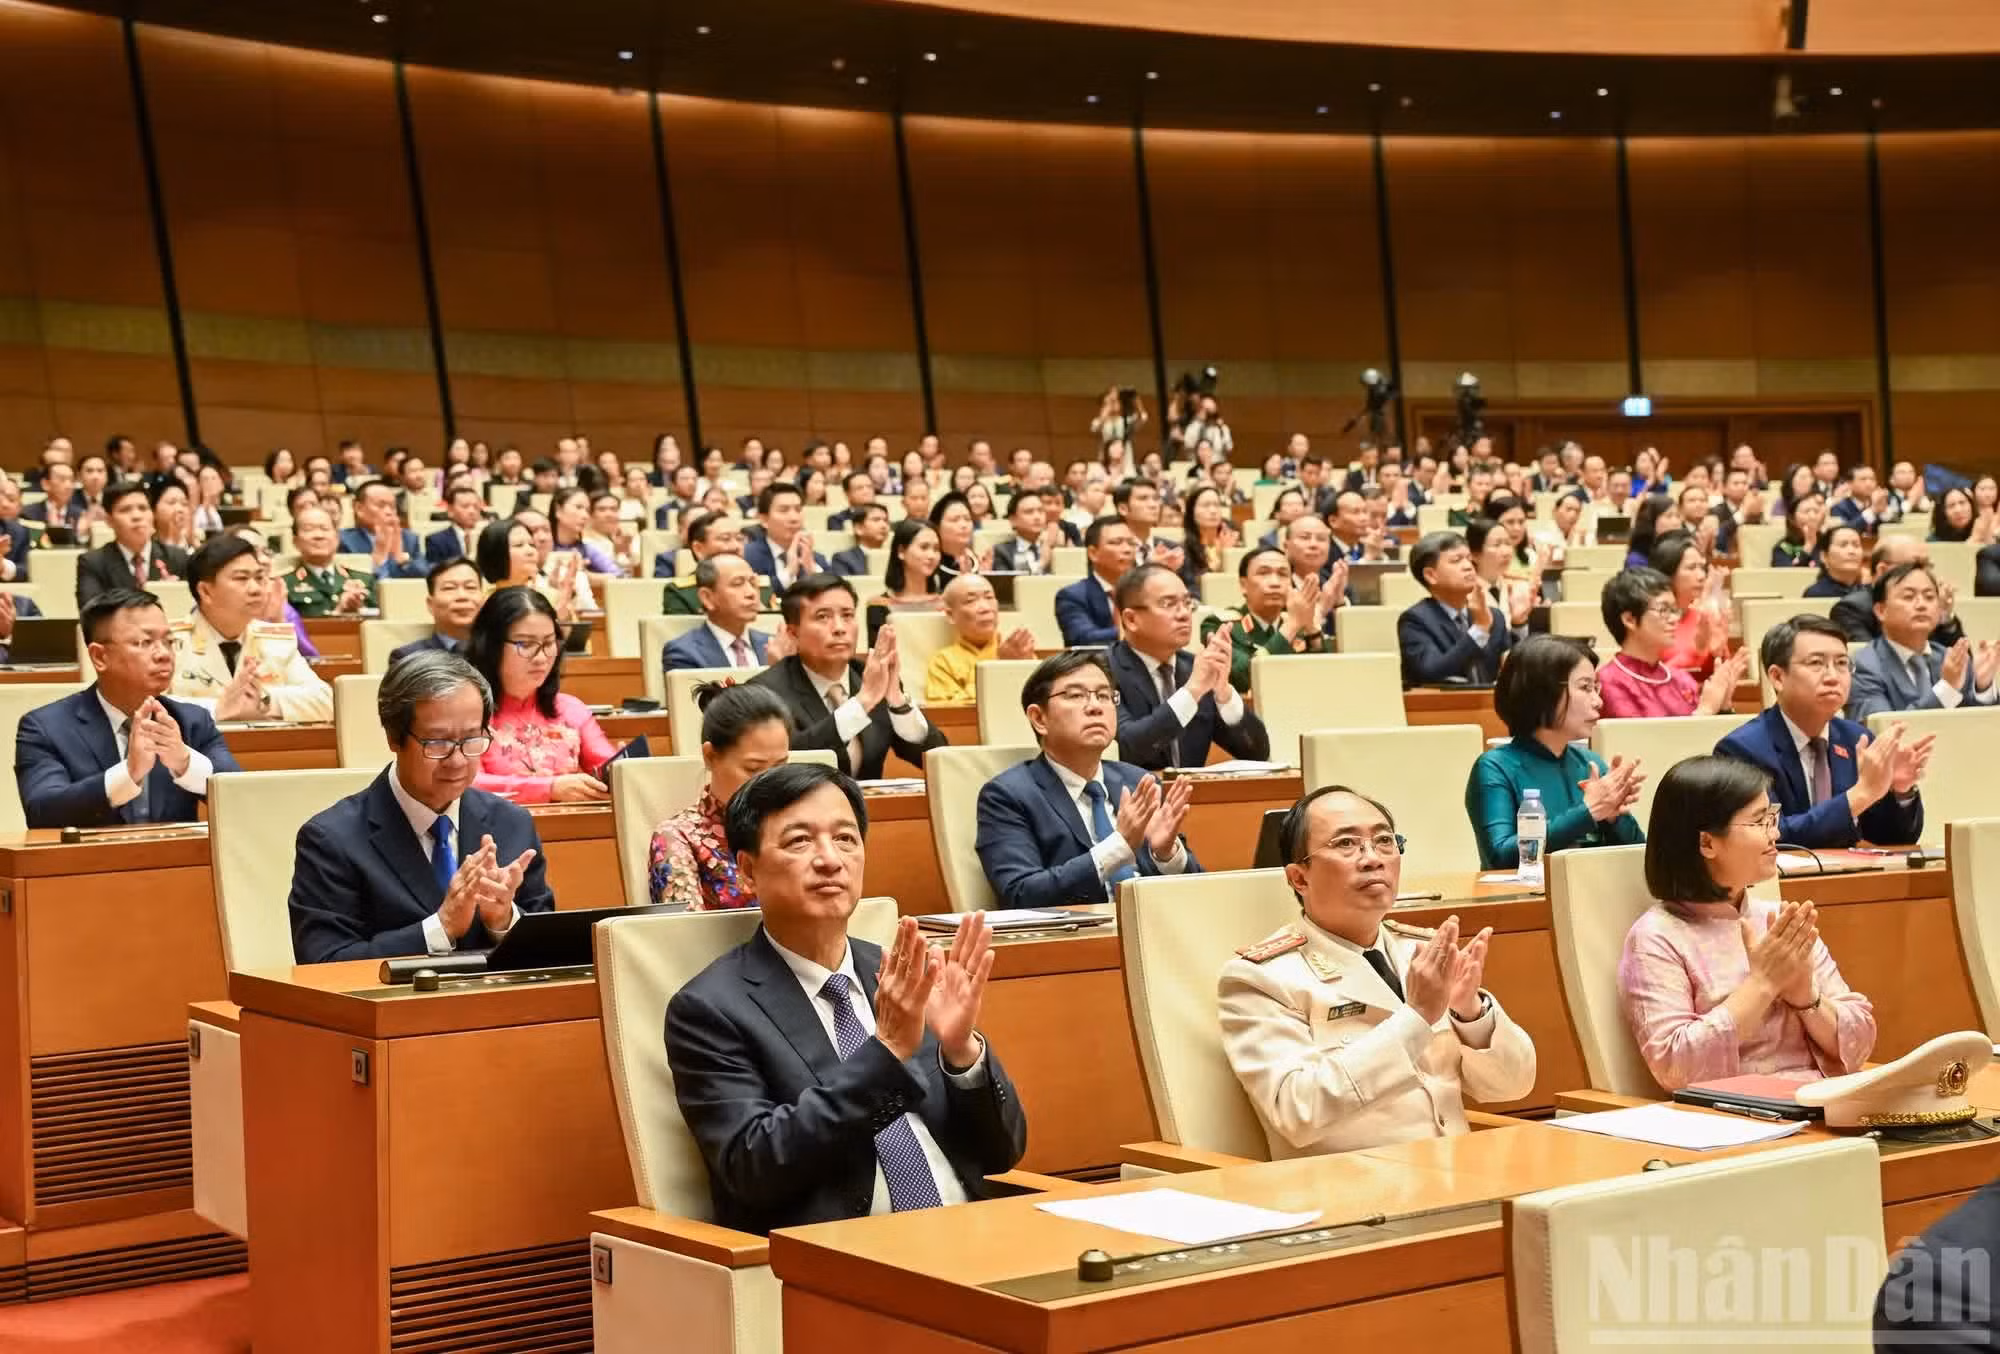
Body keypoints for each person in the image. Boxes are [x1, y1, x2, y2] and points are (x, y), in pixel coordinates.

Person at [664, 763, 1026, 1233]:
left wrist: (962, 1054)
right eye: (799, 841)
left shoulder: (902, 974)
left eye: (845, 839)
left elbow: (1004, 1151)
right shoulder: (711, 1010)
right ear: (748, 870)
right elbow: (753, 1167)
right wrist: (887, 1052)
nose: (830, 859)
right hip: (844, 1259)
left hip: (972, 1234)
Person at [1219, 785, 1536, 1157]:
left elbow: (1513, 1087)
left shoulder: (1419, 952)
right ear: (1299, 878)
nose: (1372, 858)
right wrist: (1416, 1018)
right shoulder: (1263, 979)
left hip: (1459, 1176)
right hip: (1356, 1194)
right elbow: (1298, 1111)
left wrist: (1470, 1014)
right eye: (1346, 845)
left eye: (1384, 841)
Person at [1619, 755, 1875, 1091]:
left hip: (1824, 1102)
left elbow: (1862, 1040)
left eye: (1772, 817)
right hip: (1735, 1120)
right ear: (1707, 843)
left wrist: (1805, 997)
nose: (1776, 833)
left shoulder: (1780, 920)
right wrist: (1763, 985)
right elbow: (1674, 1068)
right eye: (1759, 822)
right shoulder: (1657, 937)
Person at [287, 651, 554, 963]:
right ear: (393, 737)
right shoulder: (331, 839)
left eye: (472, 739)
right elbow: (323, 963)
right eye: (437, 743)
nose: (457, 761)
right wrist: (440, 928)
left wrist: (503, 920)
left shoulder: (512, 824)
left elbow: (550, 951)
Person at [976, 650, 1200, 909]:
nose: (1095, 707)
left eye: (1104, 696)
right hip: (1075, 942)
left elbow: (1195, 892)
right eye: (1075, 695)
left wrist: (1167, 854)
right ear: (1039, 718)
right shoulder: (1007, 795)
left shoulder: (1139, 782)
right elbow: (1021, 893)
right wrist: (1119, 845)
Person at [15, 589, 241, 828]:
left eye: (168, 641)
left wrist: (185, 763)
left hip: (178, 863)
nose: (164, 654)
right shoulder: (46, 727)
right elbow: (42, 811)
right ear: (99, 657)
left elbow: (242, 796)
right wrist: (128, 774)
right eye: (144, 642)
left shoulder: (191, 721)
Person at [1715, 615, 1931, 848]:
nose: (1832, 676)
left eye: (1841, 664)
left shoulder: (1857, 740)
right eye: (1816, 663)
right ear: (1777, 677)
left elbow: (1891, 839)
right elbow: (1770, 835)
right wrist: (1861, 794)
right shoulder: (1742, 750)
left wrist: (1899, 791)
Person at [1465, 635, 1645, 868]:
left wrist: (1614, 817)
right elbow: (1500, 856)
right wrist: (1589, 811)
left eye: (1596, 688)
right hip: (1528, 900)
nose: (1598, 701)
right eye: (1585, 687)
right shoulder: (1495, 767)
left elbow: (1639, 855)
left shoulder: (1590, 764)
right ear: (1543, 692)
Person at [751, 574, 947, 779]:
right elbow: (793, 763)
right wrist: (863, 702)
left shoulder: (871, 677)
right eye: (822, 617)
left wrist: (898, 704)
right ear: (793, 633)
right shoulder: (766, 693)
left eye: (847, 615)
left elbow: (936, 758)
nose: (839, 628)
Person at [1108, 564, 1271, 772]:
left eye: (1187, 603)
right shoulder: (1102, 671)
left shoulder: (1193, 668)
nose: (1184, 614)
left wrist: (1224, 694)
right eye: (1168, 604)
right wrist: (1192, 691)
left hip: (1193, 798)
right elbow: (1128, 748)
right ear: (1131, 619)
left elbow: (1256, 754)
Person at [463, 586, 616, 803]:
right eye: (525, 644)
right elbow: (467, 783)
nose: (541, 657)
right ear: (491, 645)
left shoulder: (570, 708)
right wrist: (549, 789)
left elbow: (611, 769)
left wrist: (625, 768)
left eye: (548, 643)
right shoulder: (464, 711)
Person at [647, 682, 792, 909]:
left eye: (780, 767)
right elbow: (683, 936)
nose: (769, 782)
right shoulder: (678, 837)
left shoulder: (801, 823)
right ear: (710, 756)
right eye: (753, 769)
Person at [171, 533, 333, 722]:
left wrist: (264, 699)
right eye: (242, 578)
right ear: (205, 591)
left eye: (259, 578)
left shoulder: (275, 641)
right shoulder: (170, 642)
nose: (256, 589)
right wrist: (218, 708)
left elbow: (325, 700)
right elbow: (149, 703)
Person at [1847, 561, 2000, 719]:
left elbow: (1979, 726)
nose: (1921, 605)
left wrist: (1982, 687)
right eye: (1908, 596)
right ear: (1881, 610)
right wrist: (1946, 689)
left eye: (1929, 597)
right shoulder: (1862, 665)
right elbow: (1880, 730)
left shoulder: (1951, 658)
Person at [1597, 568, 1748, 719]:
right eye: (1663, 610)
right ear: (1629, 620)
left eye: (1675, 610)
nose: (1674, 619)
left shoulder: (1681, 679)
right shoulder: (1608, 682)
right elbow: (1639, 740)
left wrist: (1724, 707)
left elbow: (1710, 740)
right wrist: (1705, 711)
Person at [1197, 546, 1329, 694]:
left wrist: (1310, 626)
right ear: (1243, 585)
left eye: (1283, 574)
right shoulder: (1220, 624)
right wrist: (1292, 626)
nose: (1275, 582)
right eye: (1264, 573)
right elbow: (1242, 678)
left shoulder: (1296, 621)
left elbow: (1323, 678)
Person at [1397, 530, 1512, 688]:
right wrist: (1479, 629)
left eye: (1469, 559)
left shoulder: (1494, 616)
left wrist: (1520, 624)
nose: (1468, 567)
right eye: (1456, 560)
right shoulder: (1415, 621)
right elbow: (1431, 673)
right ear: (1431, 575)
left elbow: (1510, 669)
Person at [924, 573, 1035, 703]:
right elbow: (947, 712)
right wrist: (1000, 666)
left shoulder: (1017, 650)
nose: (985, 608)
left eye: (989, 597)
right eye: (970, 601)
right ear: (950, 614)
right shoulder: (943, 661)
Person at [76, 481, 186, 604]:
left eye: (143, 508)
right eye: (125, 510)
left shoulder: (177, 558)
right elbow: (91, 613)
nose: (137, 516)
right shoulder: (93, 563)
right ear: (109, 520)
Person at [664, 554, 773, 671]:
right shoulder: (684, 653)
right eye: (737, 583)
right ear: (707, 597)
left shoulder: (773, 645)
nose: (751, 593)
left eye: (753, 583)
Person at [1650, 530, 1728, 681]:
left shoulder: (1704, 617)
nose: (1701, 576)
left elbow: (1721, 676)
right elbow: (1650, 680)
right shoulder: (1651, 620)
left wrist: (1716, 655)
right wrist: (1696, 652)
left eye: (1702, 567)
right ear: (1668, 573)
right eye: (1692, 568)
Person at [282, 504, 378, 617]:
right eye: (309, 529)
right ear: (295, 541)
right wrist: (337, 613)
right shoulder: (284, 585)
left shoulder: (363, 580)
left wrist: (361, 609)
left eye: (325, 529)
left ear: (337, 538)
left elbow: (378, 624)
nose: (318, 535)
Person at [1053, 517, 1136, 647]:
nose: (1127, 550)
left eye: (1131, 543)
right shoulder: (1072, 596)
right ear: (1093, 553)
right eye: (1116, 543)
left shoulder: (1145, 593)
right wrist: (1136, 630)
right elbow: (1083, 638)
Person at [389, 557, 483, 665]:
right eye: (449, 588)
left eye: (470, 587)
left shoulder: (499, 653)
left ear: (483, 600)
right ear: (430, 604)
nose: (462, 596)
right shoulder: (408, 658)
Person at [865, 518, 945, 643]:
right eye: (924, 547)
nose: (932, 555)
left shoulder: (946, 604)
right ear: (901, 551)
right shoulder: (879, 604)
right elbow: (878, 654)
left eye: (936, 549)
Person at [742, 482, 826, 595]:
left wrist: (811, 569)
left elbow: (834, 596)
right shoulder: (747, 557)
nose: (794, 518)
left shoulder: (815, 558)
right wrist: (789, 573)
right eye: (784, 510)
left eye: (798, 510)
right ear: (764, 520)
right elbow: (753, 596)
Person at [339, 480, 429, 579]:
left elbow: (425, 575)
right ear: (359, 508)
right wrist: (377, 559)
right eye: (380, 505)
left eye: (392, 506)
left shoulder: (409, 538)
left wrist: (400, 558)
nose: (388, 511)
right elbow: (346, 581)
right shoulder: (343, 540)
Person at [988, 490, 1061, 575]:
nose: (1037, 517)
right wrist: (1042, 562)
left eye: (1041, 511)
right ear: (1013, 520)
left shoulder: (1055, 547)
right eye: (1029, 512)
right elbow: (1008, 585)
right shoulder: (1002, 552)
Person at [425, 482, 487, 565]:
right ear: (450, 510)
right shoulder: (436, 541)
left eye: (476, 506)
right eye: (465, 506)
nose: (472, 511)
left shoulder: (489, 538)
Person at [1804, 521, 1867, 600]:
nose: (1851, 551)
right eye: (1843, 545)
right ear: (1824, 556)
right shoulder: (1815, 594)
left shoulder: (1869, 592)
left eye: (1856, 545)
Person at [828, 502, 890, 577]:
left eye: (886, 521)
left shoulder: (896, 557)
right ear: (858, 529)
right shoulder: (843, 559)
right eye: (876, 520)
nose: (884, 526)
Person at [1772, 489, 1825, 567]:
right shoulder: (1782, 548)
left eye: (1816, 511)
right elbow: (1790, 577)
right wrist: (1809, 546)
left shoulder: (1829, 544)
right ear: (1792, 518)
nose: (1812, 517)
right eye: (1806, 511)